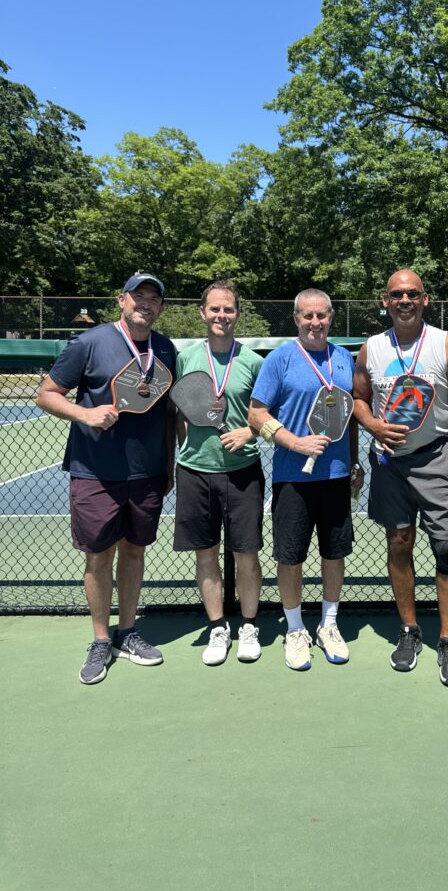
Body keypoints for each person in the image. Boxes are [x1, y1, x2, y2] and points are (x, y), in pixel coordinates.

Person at [36, 272, 176, 684]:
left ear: (161, 308)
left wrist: (166, 467)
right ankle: (100, 639)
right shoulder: (90, 343)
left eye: (153, 299)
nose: (145, 304)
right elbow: (46, 393)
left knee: (134, 551)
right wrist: (85, 414)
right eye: (139, 296)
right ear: (121, 300)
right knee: (99, 557)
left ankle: (127, 631)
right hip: (95, 471)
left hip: (147, 472)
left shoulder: (165, 348)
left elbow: (166, 413)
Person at [353, 269, 448, 688]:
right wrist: (372, 425)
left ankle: (447, 639)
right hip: (390, 464)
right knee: (398, 542)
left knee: (447, 548)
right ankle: (409, 630)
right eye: (396, 295)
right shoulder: (371, 348)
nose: (404, 300)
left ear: (425, 299)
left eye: (412, 294)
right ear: (384, 301)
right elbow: (358, 399)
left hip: (436, 461)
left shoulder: (447, 344)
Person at [248, 289, 362, 671]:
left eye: (322, 316)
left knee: (334, 554)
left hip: (336, 476)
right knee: (290, 556)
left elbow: (350, 418)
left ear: (331, 317)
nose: (315, 323)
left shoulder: (344, 358)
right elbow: (256, 414)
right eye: (307, 316)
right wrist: (294, 442)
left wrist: (354, 463)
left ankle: (328, 625)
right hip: (291, 478)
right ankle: (295, 629)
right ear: (296, 318)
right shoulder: (279, 360)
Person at [173, 281, 265, 666]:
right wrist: (185, 453)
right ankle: (217, 627)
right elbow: (178, 413)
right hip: (194, 472)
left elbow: (264, 414)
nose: (221, 316)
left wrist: (253, 430)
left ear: (237, 314)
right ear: (202, 312)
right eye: (214, 309)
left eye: (228, 310)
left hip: (243, 472)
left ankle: (248, 625)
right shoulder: (186, 358)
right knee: (206, 553)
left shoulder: (255, 363)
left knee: (246, 554)